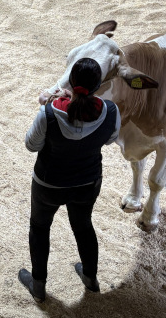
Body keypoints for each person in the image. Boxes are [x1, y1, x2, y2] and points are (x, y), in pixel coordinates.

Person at [17, 58, 121, 303]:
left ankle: (39, 285)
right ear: (98, 85)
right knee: (83, 226)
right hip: (88, 181)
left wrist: (52, 104)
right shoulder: (111, 111)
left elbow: (31, 145)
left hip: (49, 183)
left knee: (40, 228)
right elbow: (110, 139)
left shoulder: (49, 112)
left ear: (70, 84)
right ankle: (90, 278)